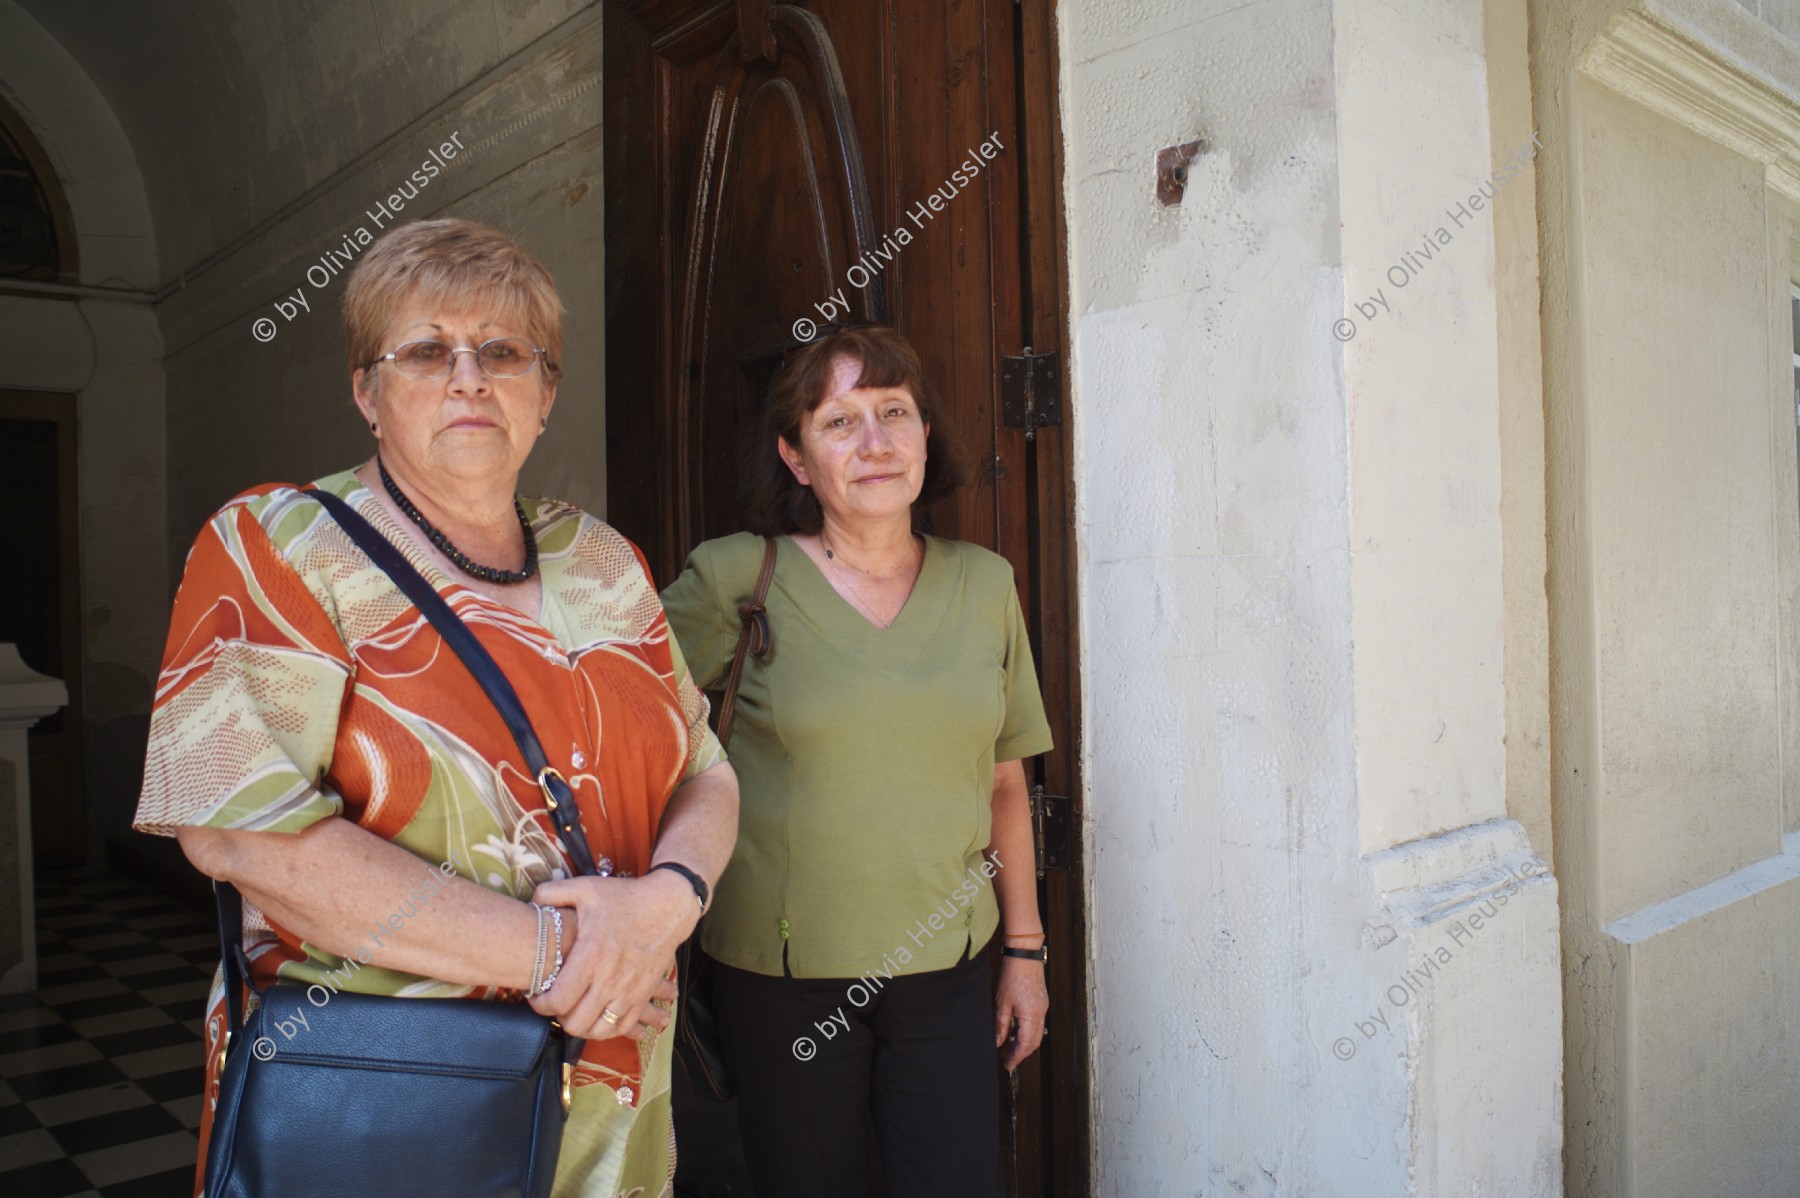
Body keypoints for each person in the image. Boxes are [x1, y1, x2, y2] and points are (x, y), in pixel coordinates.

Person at [134, 218, 737, 1198]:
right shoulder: (275, 546)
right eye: (425, 351)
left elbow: (705, 766)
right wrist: (568, 955)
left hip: (616, 1077)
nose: (469, 377)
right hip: (389, 1090)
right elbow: (241, 836)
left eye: (503, 352)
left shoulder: (606, 561)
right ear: (367, 392)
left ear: (544, 395)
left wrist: (666, 906)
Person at [660, 324, 1053, 1197]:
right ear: (796, 458)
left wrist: (1024, 953)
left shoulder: (985, 584)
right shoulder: (736, 578)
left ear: (925, 438)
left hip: (946, 976)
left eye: (894, 413)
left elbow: (1003, 781)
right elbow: (619, 735)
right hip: (781, 983)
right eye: (839, 422)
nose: (874, 442)